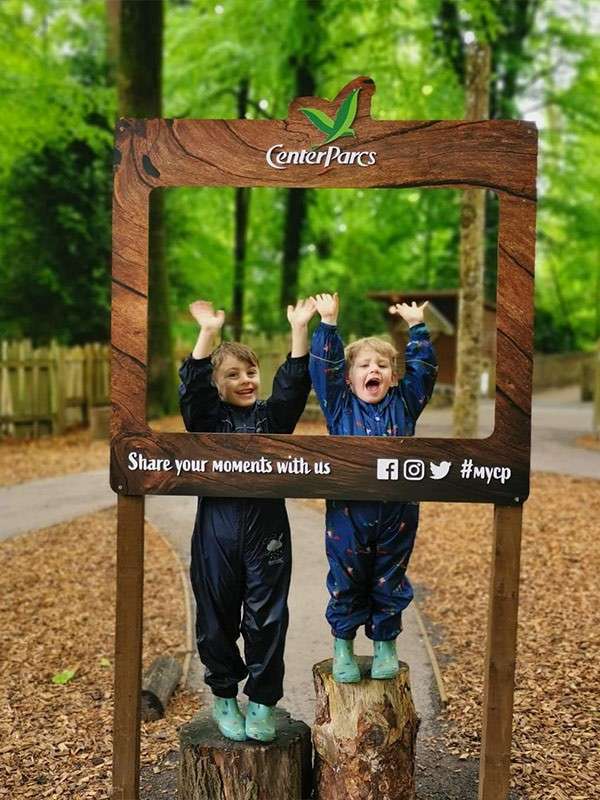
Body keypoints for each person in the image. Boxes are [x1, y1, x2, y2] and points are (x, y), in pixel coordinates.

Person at [178, 297, 316, 741]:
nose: (245, 381)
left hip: (267, 534)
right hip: (216, 533)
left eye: (250, 372)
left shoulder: (270, 418)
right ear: (218, 384)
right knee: (216, 618)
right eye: (233, 375)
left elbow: (293, 387)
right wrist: (207, 332)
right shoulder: (207, 421)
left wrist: (299, 329)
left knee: (267, 618)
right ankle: (223, 696)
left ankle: (261, 702)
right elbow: (193, 388)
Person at [309, 292, 437, 682]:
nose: (373, 369)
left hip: (396, 514)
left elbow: (424, 371)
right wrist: (328, 324)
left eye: (381, 365)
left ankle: (385, 645)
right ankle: (343, 645)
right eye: (363, 365)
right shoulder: (339, 405)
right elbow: (324, 370)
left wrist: (417, 329)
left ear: (392, 376)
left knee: (390, 578)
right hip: (348, 514)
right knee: (347, 579)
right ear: (349, 377)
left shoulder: (405, 402)